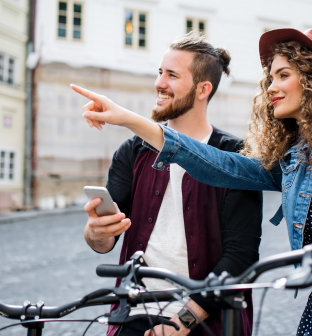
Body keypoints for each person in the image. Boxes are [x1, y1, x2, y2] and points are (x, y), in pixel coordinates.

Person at [72, 28, 312, 335]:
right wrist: (129, 118)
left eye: (283, 75)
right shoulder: (290, 160)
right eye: (271, 77)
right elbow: (218, 165)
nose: (270, 86)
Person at [81, 34, 263, 336]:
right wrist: (95, 233)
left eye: (172, 75)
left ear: (203, 89)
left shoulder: (235, 157)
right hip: (133, 314)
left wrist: (183, 322)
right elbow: (105, 241)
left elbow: (240, 256)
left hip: (207, 320)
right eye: (160, 72)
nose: (159, 83)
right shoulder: (133, 151)